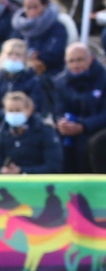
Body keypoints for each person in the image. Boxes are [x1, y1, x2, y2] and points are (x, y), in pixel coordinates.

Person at [0, 90, 62, 174]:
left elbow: (53, 167)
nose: (14, 114)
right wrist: (2, 172)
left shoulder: (45, 131)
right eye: (10, 111)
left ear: (29, 110)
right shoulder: (2, 133)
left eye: (18, 110)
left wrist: (21, 171)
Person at [49, 41, 106, 173]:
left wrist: (83, 126)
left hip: (98, 129)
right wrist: (63, 123)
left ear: (91, 59)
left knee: (95, 143)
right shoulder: (59, 82)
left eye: (80, 60)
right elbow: (58, 109)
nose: (76, 65)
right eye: (71, 61)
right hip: (71, 129)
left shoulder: (103, 79)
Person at [0, 39, 47, 136]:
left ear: (25, 59)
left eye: (18, 55)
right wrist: (16, 112)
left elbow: (33, 110)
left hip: (26, 129)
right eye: (10, 54)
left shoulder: (32, 80)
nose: (13, 58)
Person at [11, 0, 68, 74]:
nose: (32, 12)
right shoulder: (18, 27)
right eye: (28, 8)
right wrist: (29, 54)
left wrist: (37, 57)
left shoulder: (57, 27)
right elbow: (11, 47)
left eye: (35, 7)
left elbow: (56, 54)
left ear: (44, 5)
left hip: (51, 73)